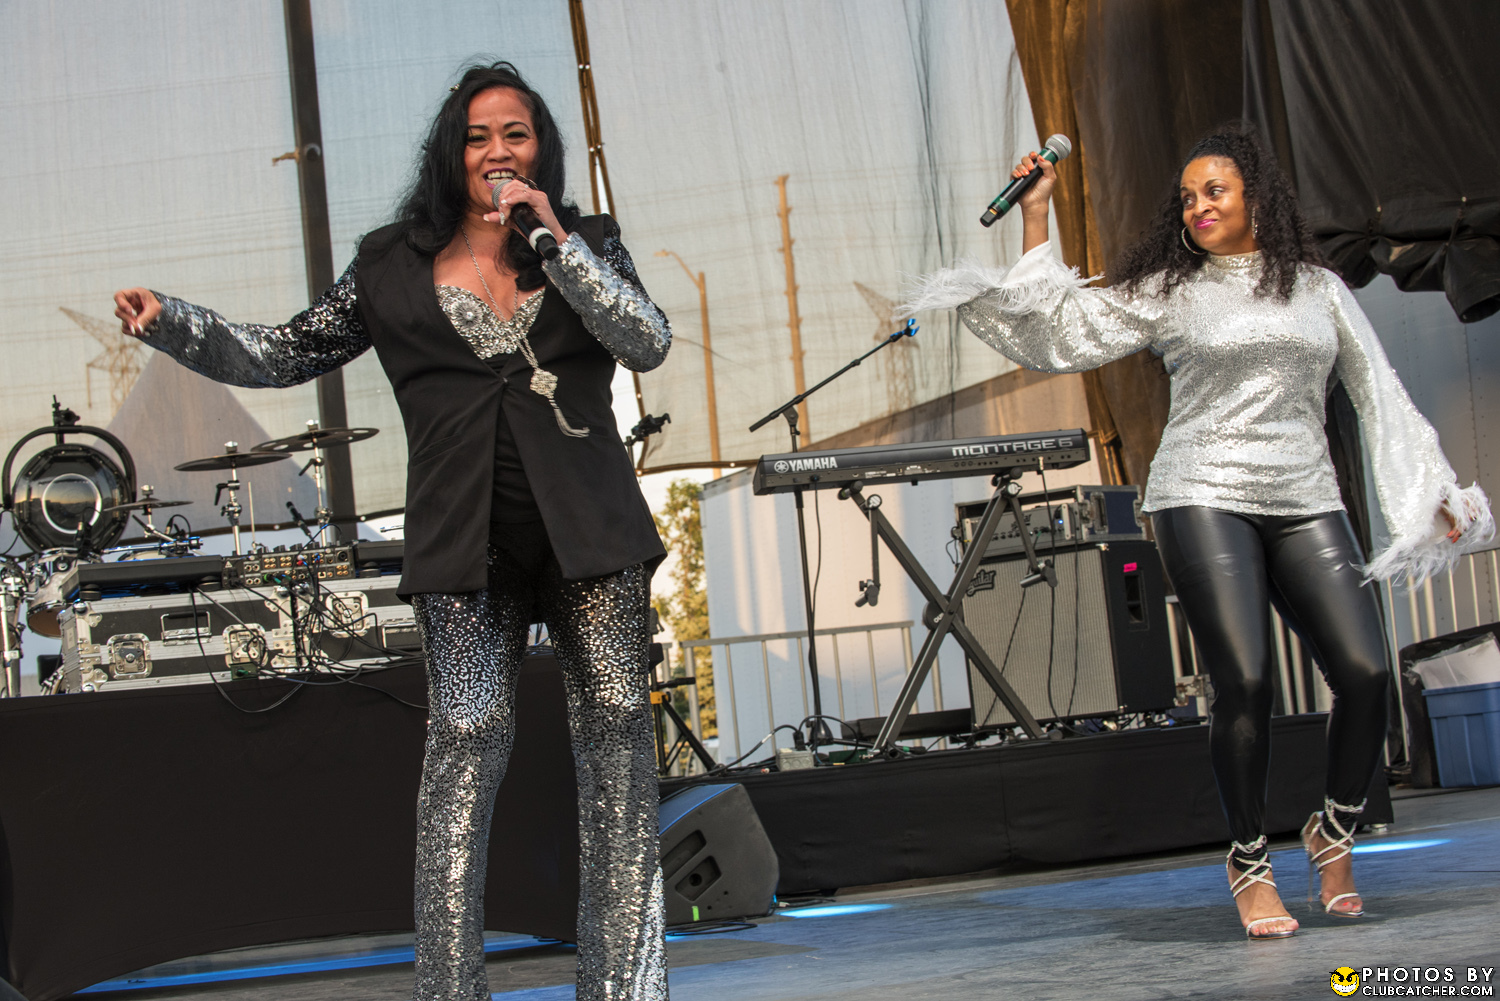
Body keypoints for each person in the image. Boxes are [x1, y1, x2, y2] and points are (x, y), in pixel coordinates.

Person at [114, 62, 671, 999]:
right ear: (452, 152)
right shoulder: (388, 264)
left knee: (617, 731)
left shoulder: (589, 242)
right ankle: (450, 989)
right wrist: (178, 324)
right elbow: (285, 352)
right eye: (479, 136)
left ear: (542, 149)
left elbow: (646, 340)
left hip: (593, 532)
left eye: (516, 134)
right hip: (463, 540)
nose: (498, 151)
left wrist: (558, 244)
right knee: (467, 735)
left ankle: (626, 987)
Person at [902, 125, 1492, 940]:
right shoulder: (1170, 288)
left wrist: (1431, 489)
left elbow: (1377, 389)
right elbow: (1059, 329)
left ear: (1257, 197)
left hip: (1305, 495)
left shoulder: (1318, 289)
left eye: (1214, 191)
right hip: (1201, 491)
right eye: (1187, 197)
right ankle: (1249, 858)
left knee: (1364, 674)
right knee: (1246, 681)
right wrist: (1036, 213)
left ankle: (1334, 826)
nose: (1198, 206)